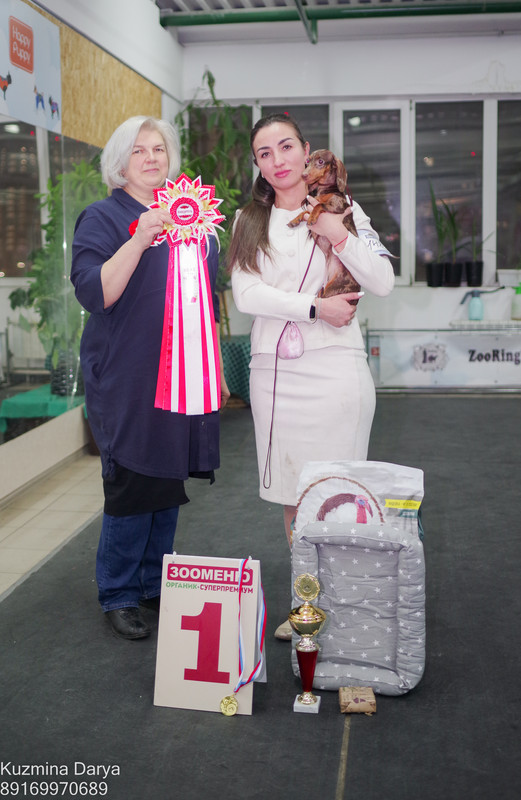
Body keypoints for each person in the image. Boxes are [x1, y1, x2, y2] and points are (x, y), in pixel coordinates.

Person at [228, 113, 394, 639]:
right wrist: (314, 308)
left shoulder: (344, 209)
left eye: (286, 147)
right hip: (276, 376)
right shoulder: (248, 220)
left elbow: (382, 280)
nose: (278, 160)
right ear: (258, 165)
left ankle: (346, 607)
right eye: (265, 153)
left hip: (337, 372)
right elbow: (247, 295)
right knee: (293, 495)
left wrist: (338, 235)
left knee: (339, 493)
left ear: (306, 151)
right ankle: (310, 605)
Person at [71, 116, 229, 640]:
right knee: (132, 481)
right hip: (127, 375)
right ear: (120, 162)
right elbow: (95, 292)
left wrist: (213, 368)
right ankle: (118, 591)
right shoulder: (102, 217)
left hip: (184, 376)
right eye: (139, 150)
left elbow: (207, 300)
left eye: (158, 148)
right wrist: (139, 239)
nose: (151, 157)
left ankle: (155, 582)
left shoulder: (192, 215)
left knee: (166, 477)